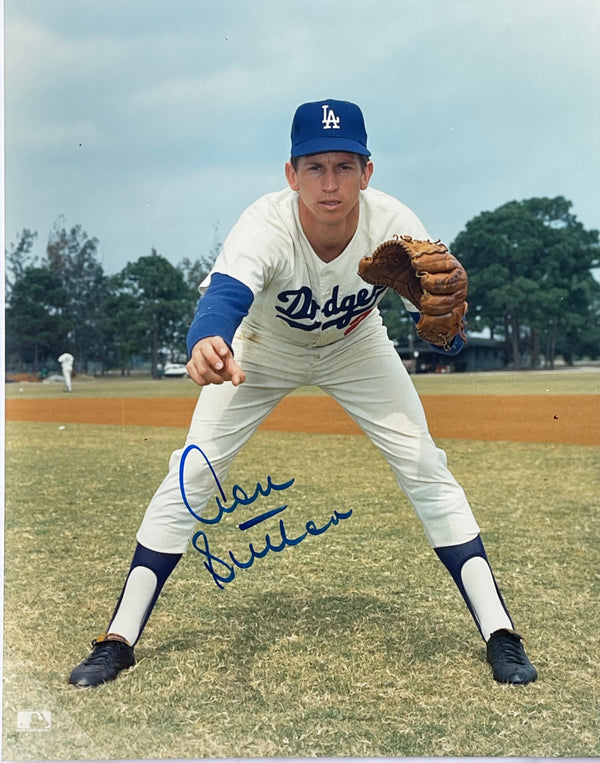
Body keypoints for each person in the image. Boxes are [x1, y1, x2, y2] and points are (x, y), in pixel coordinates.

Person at [69, 98, 537, 688]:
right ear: (291, 174)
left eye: (346, 166)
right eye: (315, 166)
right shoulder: (266, 225)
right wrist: (207, 341)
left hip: (356, 346)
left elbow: (446, 339)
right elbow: (223, 300)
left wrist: (447, 331)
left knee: (425, 466)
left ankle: (501, 633)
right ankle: (118, 639)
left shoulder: (395, 223)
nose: (331, 182)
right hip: (263, 348)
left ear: (368, 172)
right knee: (191, 475)